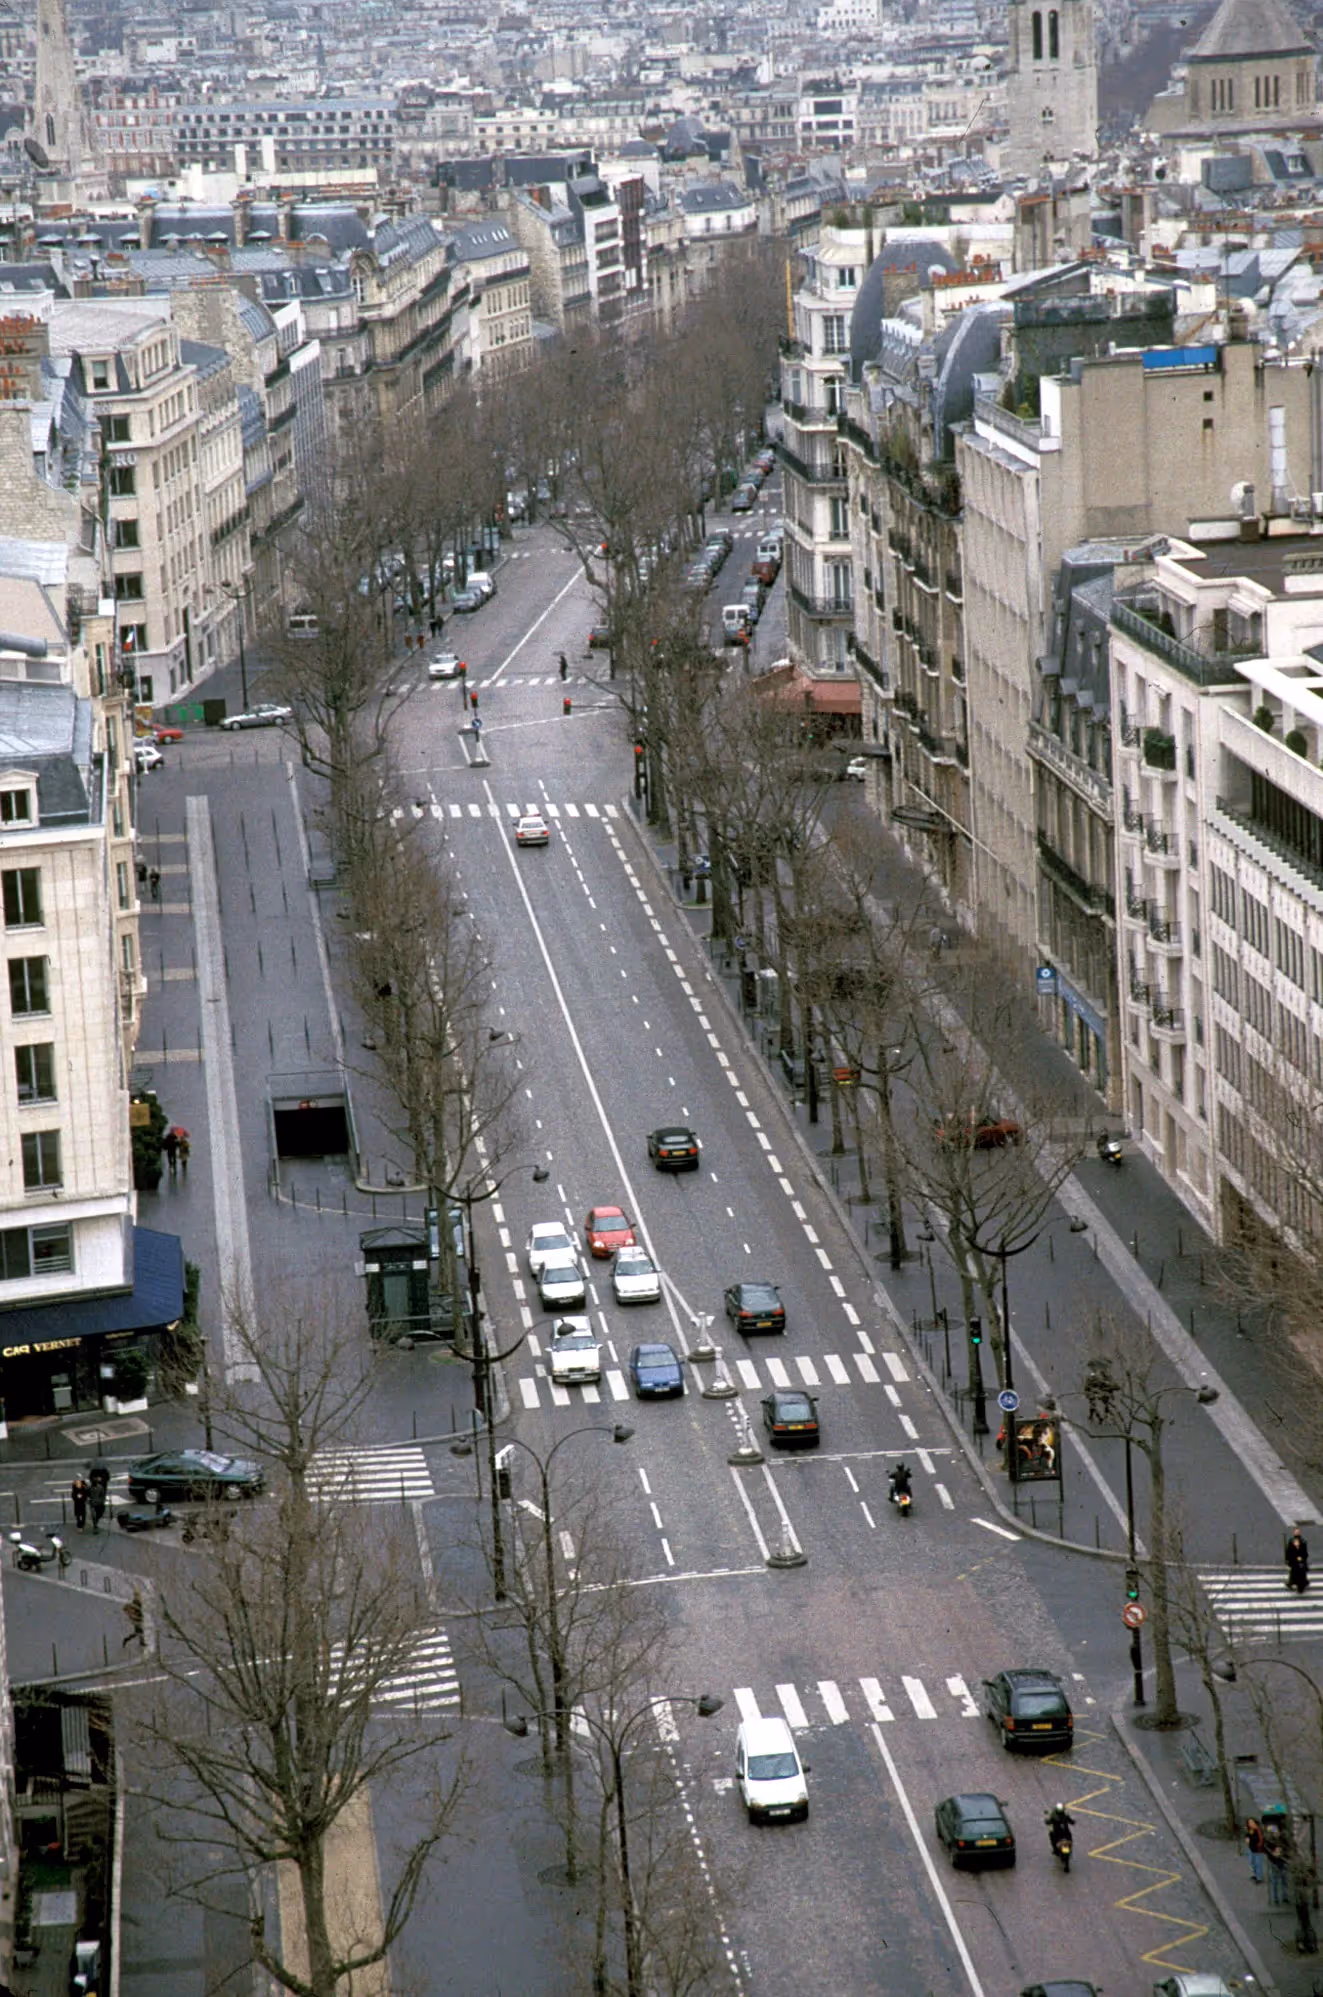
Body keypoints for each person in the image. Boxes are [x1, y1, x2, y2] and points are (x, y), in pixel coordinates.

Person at [1265, 1820, 1290, 1905]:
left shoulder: (1283, 1840)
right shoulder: (1270, 1842)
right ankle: (1276, 1898)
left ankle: (1284, 1897)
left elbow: (1288, 1849)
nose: (1276, 1833)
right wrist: (1274, 1854)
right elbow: (1267, 1851)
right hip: (1274, 1862)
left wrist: (1283, 1853)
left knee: (1284, 1880)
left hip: (1282, 1861)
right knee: (1275, 1880)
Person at [1286, 1528, 1310, 1594]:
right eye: (1296, 1532)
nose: (1296, 1533)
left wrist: (1302, 1558)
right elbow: (1289, 1551)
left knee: (1301, 1574)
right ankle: (1291, 1583)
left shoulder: (1303, 1542)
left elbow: (1305, 1553)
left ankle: (1301, 1585)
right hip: (1294, 1561)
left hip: (1300, 1561)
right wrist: (1288, 1560)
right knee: (1293, 1573)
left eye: (1297, 1532)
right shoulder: (1291, 1541)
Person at [1246, 1815, 1266, 1884]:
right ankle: (1255, 1874)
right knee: (1252, 1862)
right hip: (1251, 1849)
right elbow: (1248, 1835)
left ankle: (1259, 1878)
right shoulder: (1250, 1830)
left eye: (1252, 1822)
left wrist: (1252, 1842)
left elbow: (1260, 1841)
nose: (1251, 1824)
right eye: (1249, 1823)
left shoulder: (1259, 1830)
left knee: (1258, 1864)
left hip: (1258, 1850)